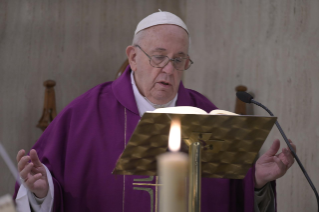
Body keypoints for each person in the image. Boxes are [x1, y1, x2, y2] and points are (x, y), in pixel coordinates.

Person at [14, 11, 296, 212]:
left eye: (179, 59)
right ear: (133, 57)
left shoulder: (206, 113)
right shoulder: (85, 113)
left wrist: (256, 180)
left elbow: (233, 196)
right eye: (159, 56)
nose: (169, 69)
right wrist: (42, 192)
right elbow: (47, 187)